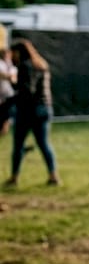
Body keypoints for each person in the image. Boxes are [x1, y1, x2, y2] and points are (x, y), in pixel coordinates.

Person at [5, 39, 60, 187]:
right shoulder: (41, 65)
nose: (12, 57)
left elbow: (26, 90)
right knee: (44, 144)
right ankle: (53, 175)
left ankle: (14, 177)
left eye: (13, 53)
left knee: (18, 145)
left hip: (27, 111)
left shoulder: (25, 66)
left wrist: (10, 96)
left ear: (19, 52)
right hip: (45, 108)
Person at [0, 47, 15, 137]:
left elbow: (14, 79)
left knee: (7, 116)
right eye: (6, 54)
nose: (8, 56)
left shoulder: (11, 65)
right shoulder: (1, 63)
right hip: (1, 95)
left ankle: (3, 131)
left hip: (8, 95)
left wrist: (9, 76)